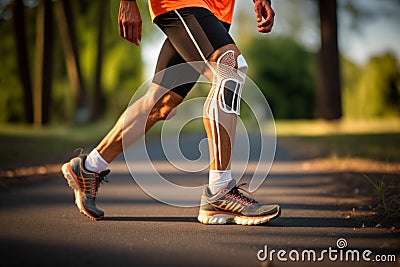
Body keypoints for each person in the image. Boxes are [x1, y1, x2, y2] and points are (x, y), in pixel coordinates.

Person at [61, 0, 281, 225]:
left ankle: (89, 167)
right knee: (229, 70)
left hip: (216, 11)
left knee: (160, 103)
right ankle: (220, 190)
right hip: (183, 3)